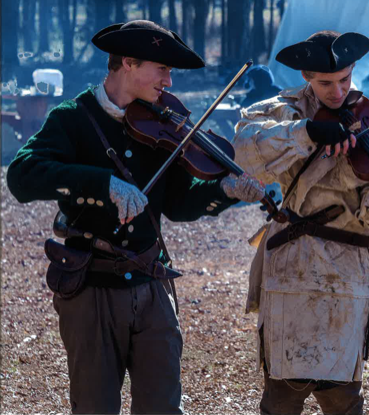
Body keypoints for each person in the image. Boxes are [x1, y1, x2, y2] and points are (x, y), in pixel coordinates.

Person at [6, 20, 265, 414]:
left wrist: (224, 191)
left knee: (162, 407)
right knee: (95, 407)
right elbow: (21, 176)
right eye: (162, 69)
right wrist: (101, 184)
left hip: (151, 284)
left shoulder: (162, 121)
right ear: (127, 62)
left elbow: (178, 204)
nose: (169, 82)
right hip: (91, 287)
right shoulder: (72, 118)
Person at [232, 31, 369, 415]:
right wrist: (306, 132)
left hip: (347, 269)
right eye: (325, 83)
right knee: (282, 394)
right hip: (290, 262)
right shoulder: (280, 112)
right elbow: (245, 150)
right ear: (305, 76)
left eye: (345, 80)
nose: (337, 93)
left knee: (343, 396)